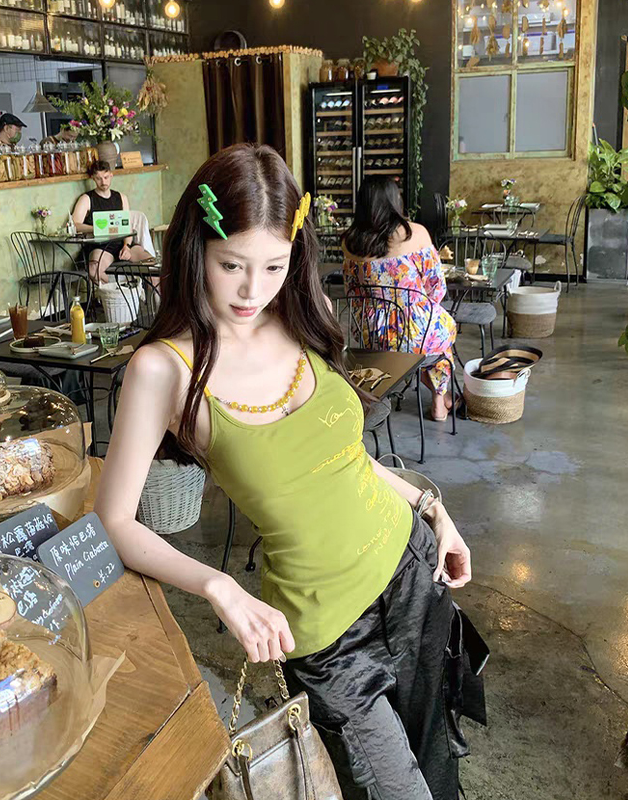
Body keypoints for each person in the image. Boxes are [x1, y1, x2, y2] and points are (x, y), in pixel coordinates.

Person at [94, 144, 483, 800]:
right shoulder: (163, 369)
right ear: (196, 249)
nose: (254, 290)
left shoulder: (303, 316)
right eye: (232, 265)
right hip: (327, 636)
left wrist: (433, 511)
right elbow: (113, 522)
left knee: (437, 763)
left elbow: (346, 460)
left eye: (274, 265)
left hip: (412, 573)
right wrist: (221, 587)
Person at [343, 177, 458, 422]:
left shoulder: (350, 241)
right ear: (395, 200)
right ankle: (440, 400)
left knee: (426, 337)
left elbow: (352, 291)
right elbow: (437, 288)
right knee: (443, 332)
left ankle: (410, 379)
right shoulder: (415, 233)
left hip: (372, 335)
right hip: (415, 330)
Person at [71, 160, 153, 283]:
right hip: (101, 247)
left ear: (111, 175)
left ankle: (155, 296)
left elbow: (127, 227)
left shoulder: (121, 197)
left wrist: (126, 246)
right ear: (93, 178)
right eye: (98, 178)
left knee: (152, 264)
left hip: (121, 244)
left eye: (106, 177)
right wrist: (95, 228)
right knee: (94, 270)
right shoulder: (87, 199)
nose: (103, 182)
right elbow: (75, 225)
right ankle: (115, 292)